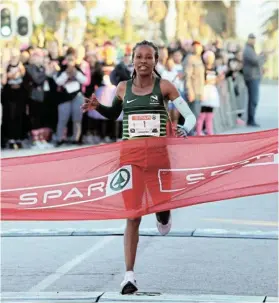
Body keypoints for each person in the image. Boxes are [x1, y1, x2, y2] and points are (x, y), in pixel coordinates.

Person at [81, 40, 196, 295]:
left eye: (149, 57)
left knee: (161, 209)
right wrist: (98, 106)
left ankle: (163, 213)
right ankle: (129, 276)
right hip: (130, 159)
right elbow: (114, 114)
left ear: (156, 61)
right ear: (132, 60)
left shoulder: (164, 87)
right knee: (133, 215)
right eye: (139, 57)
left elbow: (190, 116)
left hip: (158, 160)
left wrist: (184, 127)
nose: (143, 61)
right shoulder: (122, 88)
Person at [243, 33, 267, 127]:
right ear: (249, 39)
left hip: (254, 76)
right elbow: (256, 61)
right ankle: (251, 119)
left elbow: (258, 61)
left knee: (253, 99)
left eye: (254, 39)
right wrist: (263, 55)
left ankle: (251, 119)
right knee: (253, 99)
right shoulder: (248, 50)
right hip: (251, 77)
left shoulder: (251, 49)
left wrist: (262, 56)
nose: (253, 40)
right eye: (252, 38)